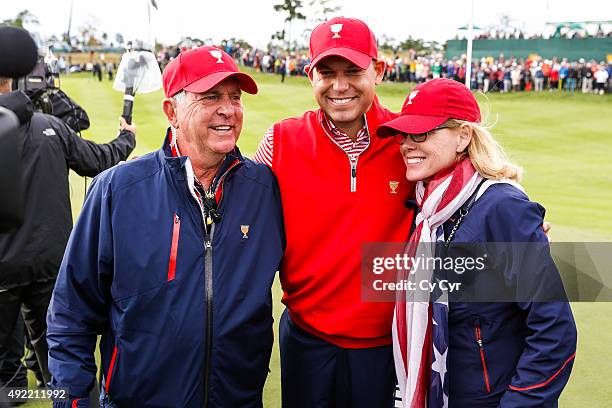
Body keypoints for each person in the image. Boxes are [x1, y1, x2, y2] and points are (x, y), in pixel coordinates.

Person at [46, 45, 284, 407]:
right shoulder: (116, 190)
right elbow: (70, 314)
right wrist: (73, 399)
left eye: (235, 97)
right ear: (172, 111)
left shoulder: (263, 188)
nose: (228, 109)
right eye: (210, 96)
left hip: (238, 400)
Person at [376, 78, 577, 407]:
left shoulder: (503, 207)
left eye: (422, 133)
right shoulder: (424, 210)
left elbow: (554, 331)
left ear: (463, 136)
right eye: (404, 134)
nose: (407, 145)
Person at [253, 17, 414, 407]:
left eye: (353, 71)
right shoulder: (280, 140)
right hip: (307, 337)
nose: (340, 86)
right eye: (327, 72)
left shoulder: (410, 140)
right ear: (311, 76)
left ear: (378, 70)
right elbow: (236, 208)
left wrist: (513, 223)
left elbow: (464, 195)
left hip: (385, 345)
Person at [0, 79, 136, 387]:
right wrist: (126, 139)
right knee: (58, 359)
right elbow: (98, 160)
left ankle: (16, 388)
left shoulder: (49, 126)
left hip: (12, 266)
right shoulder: (51, 126)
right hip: (50, 259)